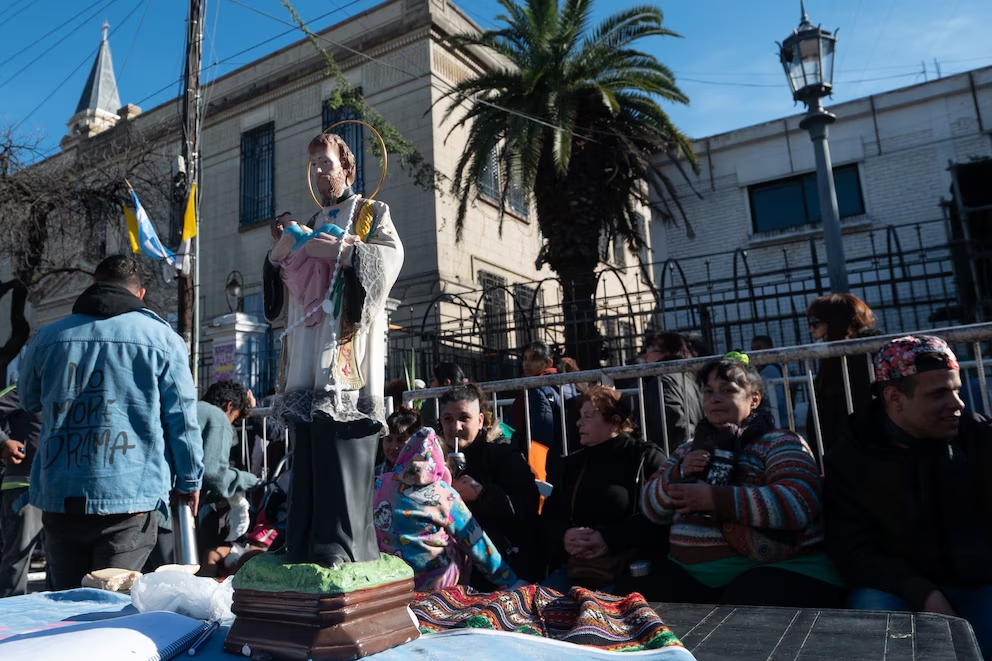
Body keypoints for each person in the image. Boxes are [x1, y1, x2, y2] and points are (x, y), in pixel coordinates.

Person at [18, 255, 203, 589]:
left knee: (62, 606)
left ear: (93, 283)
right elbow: (183, 421)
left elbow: (29, 400)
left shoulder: (47, 338)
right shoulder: (162, 340)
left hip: (61, 492)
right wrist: (190, 482)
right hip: (130, 498)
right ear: (141, 294)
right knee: (111, 612)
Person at [263, 131, 403, 567]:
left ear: (347, 165)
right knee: (307, 436)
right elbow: (281, 288)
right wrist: (280, 255)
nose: (320, 172)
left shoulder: (369, 212)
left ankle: (340, 542)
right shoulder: (310, 216)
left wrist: (345, 250)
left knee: (340, 430)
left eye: (326, 162)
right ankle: (302, 534)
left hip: (345, 337)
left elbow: (390, 257)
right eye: (315, 166)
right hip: (310, 337)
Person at [824, 335, 992, 658]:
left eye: (956, 389)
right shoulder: (850, 458)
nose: (957, 403)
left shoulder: (979, 439)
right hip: (894, 590)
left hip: (979, 585)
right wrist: (923, 592)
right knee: (875, 629)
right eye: (939, 393)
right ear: (894, 398)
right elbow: (852, 550)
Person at [640, 354, 846, 608]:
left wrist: (717, 499)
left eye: (728, 390)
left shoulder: (781, 442)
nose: (715, 398)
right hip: (692, 576)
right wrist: (677, 474)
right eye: (708, 391)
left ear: (755, 399)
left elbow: (799, 501)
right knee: (641, 601)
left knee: (747, 599)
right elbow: (651, 507)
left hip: (780, 570)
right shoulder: (688, 450)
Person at [541, 385, 668, 592]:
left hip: (633, 571)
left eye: (588, 416)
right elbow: (551, 516)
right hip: (580, 570)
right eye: (580, 416)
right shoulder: (574, 465)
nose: (579, 423)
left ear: (615, 421)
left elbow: (660, 515)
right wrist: (565, 537)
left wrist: (608, 538)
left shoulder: (645, 458)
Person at [374, 427, 518, 591]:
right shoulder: (444, 494)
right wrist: (509, 581)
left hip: (392, 580)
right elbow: (476, 541)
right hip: (438, 584)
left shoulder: (381, 483)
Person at [438, 383, 541, 584]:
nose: (455, 427)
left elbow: (527, 506)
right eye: (448, 419)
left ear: (480, 421)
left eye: (464, 418)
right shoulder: (435, 456)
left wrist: (481, 494)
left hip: (504, 562)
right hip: (450, 562)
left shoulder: (501, 452)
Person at [195, 381, 262, 576]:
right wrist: (249, 480)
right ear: (228, 406)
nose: (231, 424)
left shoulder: (194, 410)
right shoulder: (217, 416)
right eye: (234, 418)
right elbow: (214, 474)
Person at [805, 294, 880, 457]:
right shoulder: (835, 354)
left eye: (815, 323)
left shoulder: (865, 351)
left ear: (835, 321)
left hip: (859, 447)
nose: (811, 329)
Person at [0, 384, 43, 597]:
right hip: (23, 486)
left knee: (62, 565)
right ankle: (7, 623)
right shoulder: (24, 387)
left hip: (62, 489)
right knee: (16, 562)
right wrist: (3, 442)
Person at [634, 332, 703, 451]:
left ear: (665, 353)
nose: (646, 357)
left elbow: (669, 422)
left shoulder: (662, 381)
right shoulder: (689, 378)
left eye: (651, 350)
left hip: (672, 455)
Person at [509, 341, 563, 459]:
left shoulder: (539, 390)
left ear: (549, 363)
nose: (526, 364)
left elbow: (542, 435)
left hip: (540, 457)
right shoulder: (554, 385)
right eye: (525, 359)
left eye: (534, 359)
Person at [750, 335, 790, 428]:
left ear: (769, 349)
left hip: (779, 423)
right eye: (753, 349)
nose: (755, 353)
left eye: (758, 348)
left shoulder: (770, 369)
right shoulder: (779, 367)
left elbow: (776, 401)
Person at [375, 407, 422, 477]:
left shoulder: (426, 474)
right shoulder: (374, 475)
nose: (394, 447)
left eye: (401, 439)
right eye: (389, 439)